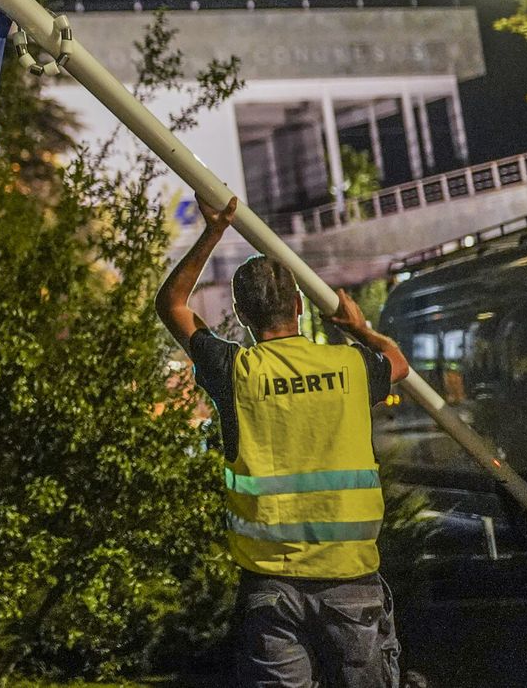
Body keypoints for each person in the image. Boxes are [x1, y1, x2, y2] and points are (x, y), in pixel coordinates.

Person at [155, 195, 411, 688]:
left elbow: (172, 304)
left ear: (243, 316)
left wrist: (213, 231)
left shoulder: (235, 372)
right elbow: (398, 363)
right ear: (298, 306)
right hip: (350, 581)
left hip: (270, 587)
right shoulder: (349, 366)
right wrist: (361, 329)